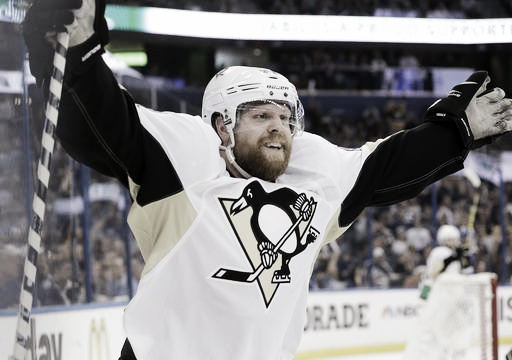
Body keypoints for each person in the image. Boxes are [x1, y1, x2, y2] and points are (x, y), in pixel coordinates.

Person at [21, 0, 512, 359]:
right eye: (258, 114)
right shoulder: (186, 166)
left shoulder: (316, 182)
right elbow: (105, 125)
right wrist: (80, 51)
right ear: (221, 127)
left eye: (284, 116)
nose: (279, 125)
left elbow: (390, 163)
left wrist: (458, 133)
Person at [419, 224, 473, 299]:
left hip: (450, 290)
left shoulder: (449, 252)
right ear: (446, 239)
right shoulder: (441, 252)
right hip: (443, 291)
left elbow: (466, 271)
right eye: (453, 239)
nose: (456, 241)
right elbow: (433, 273)